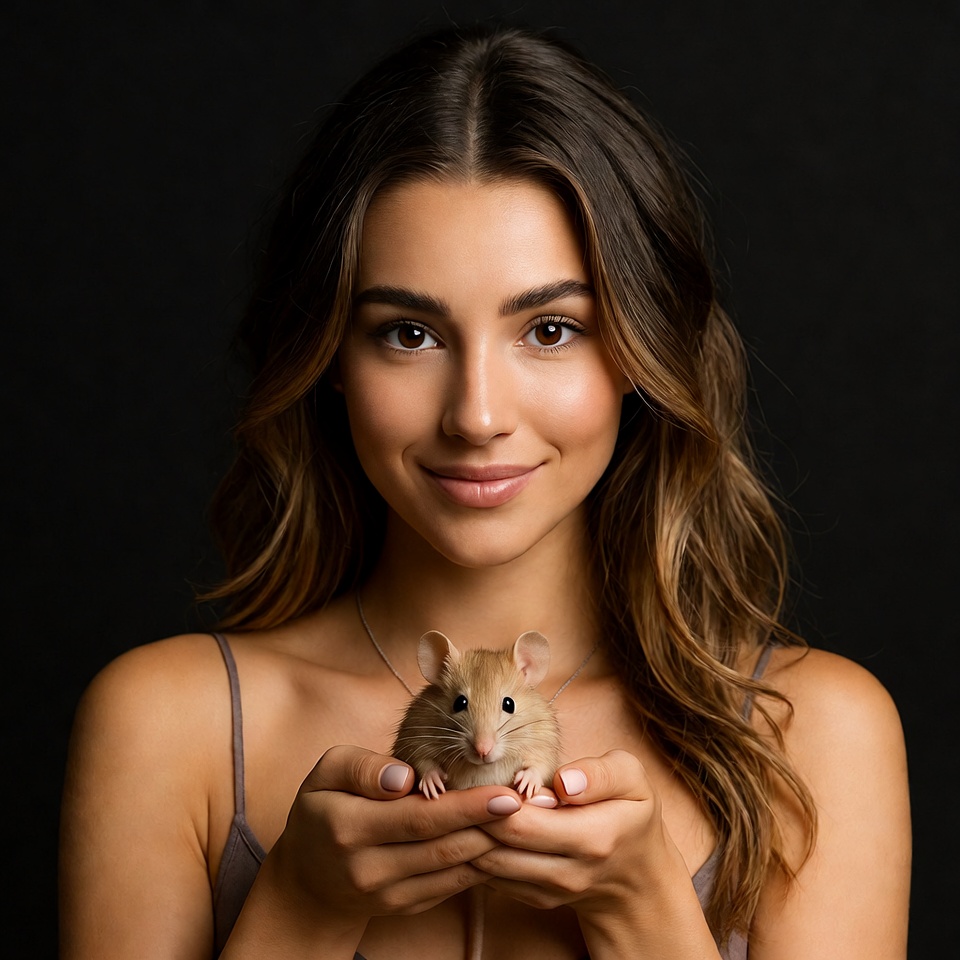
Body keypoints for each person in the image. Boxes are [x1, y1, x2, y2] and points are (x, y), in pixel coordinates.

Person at [58, 23, 911, 960]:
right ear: (330, 357)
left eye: (549, 329)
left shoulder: (814, 735)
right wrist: (303, 907)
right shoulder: (167, 725)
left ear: (639, 353)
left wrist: (643, 914)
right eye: (408, 334)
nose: (476, 415)